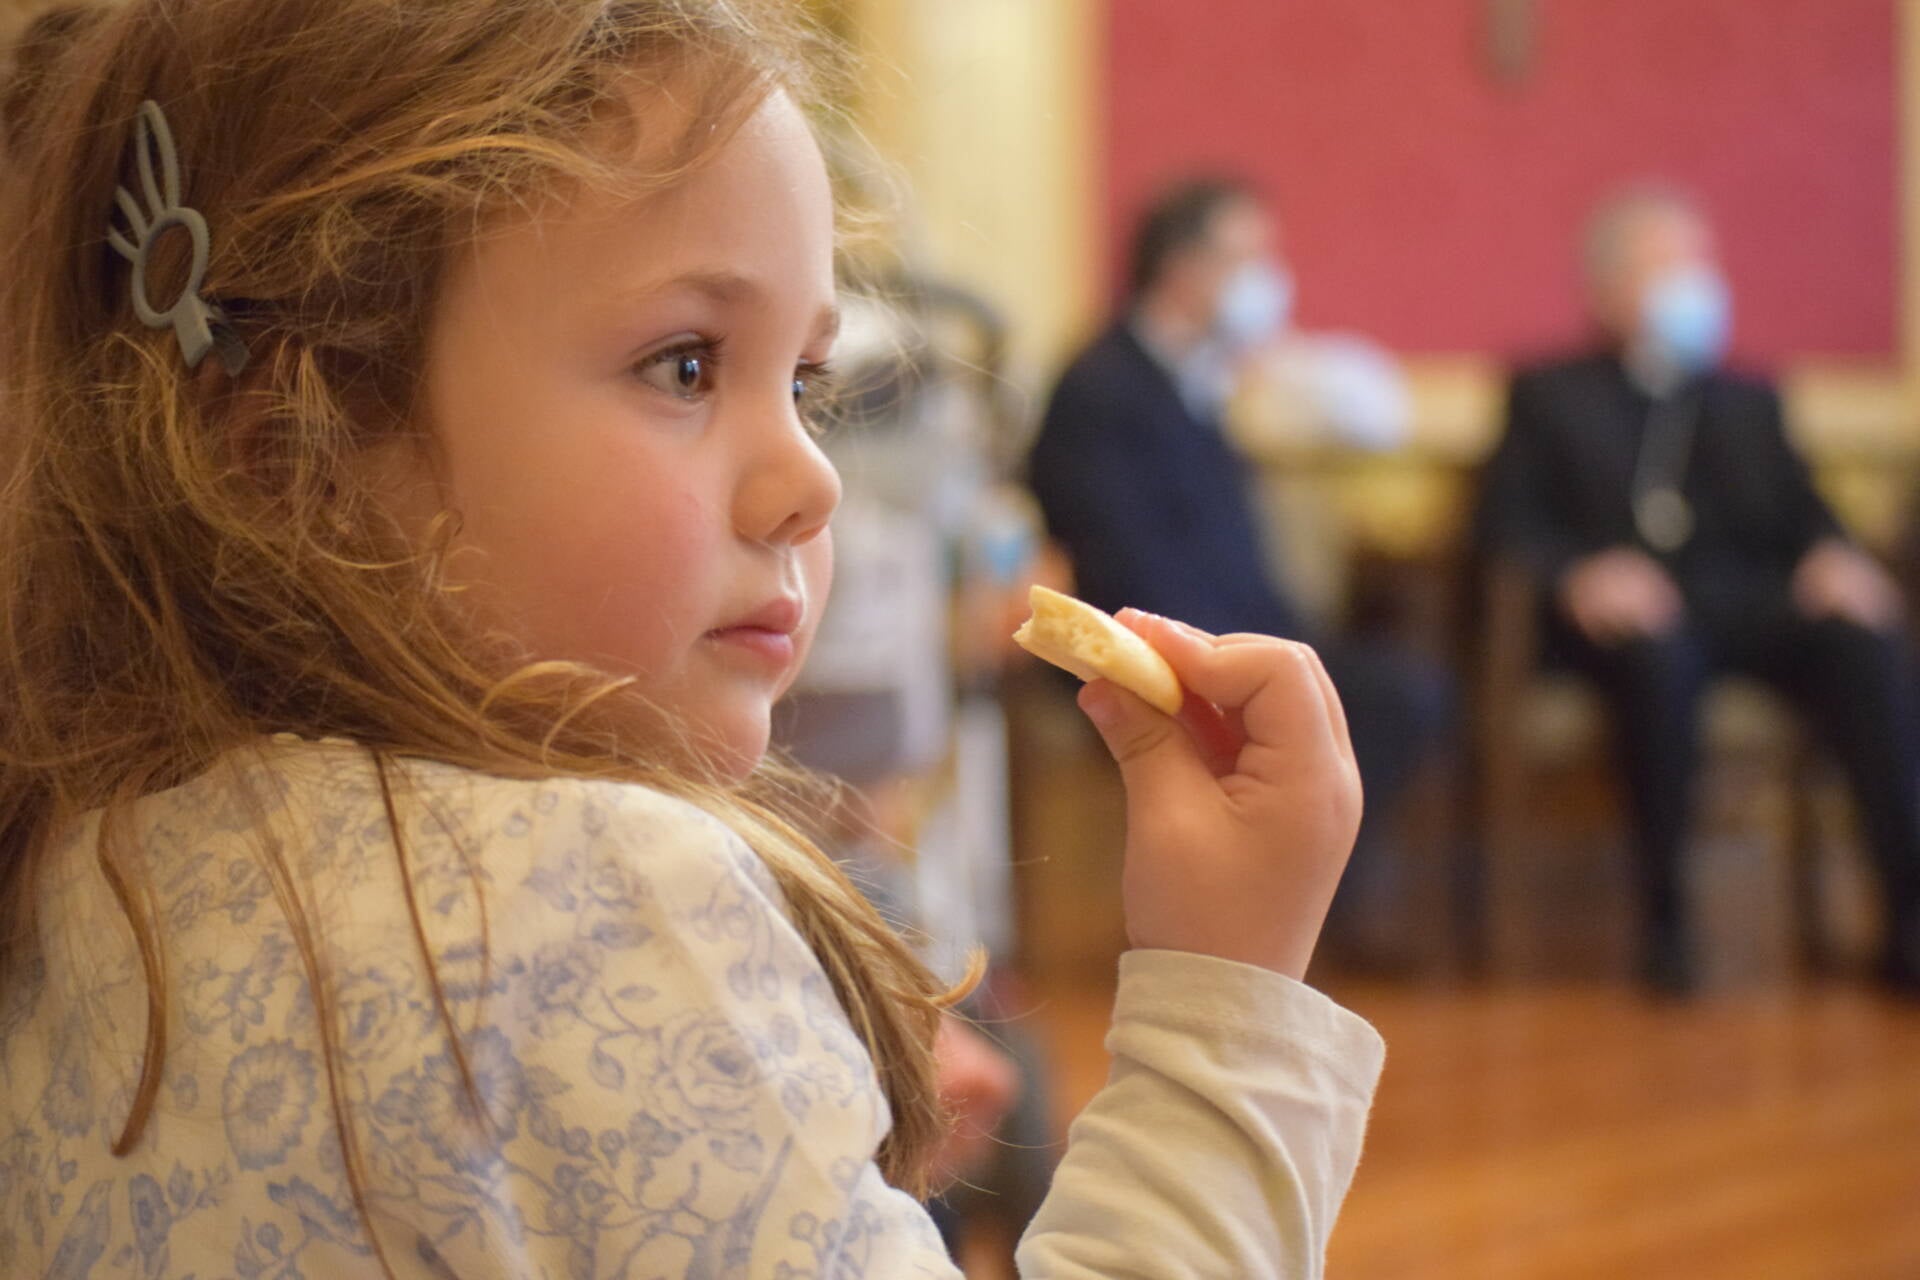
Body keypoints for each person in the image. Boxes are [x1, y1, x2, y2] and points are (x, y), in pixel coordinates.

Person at [0, 3, 1383, 1275]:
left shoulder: (80, 851)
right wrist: (1226, 1002)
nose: (814, 480)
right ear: (293, 456)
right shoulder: (597, 897)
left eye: (804, 381)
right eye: (684, 366)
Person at [1477, 186, 1920, 996]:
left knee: (1866, 644)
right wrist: (1581, 572)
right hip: (1627, 629)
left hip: (1748, 609)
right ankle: (1667, 926)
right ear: (1607, 286)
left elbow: (1807, 515)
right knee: (1659, 660)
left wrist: (1833, 557)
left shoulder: (1749, 398)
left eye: (1699, 263)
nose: (1693, 282)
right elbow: (1506, 528)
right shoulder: (1550, 395)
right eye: (1668, 265)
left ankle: (1909, 921)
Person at [1027, 177, 1450, 954]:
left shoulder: (1195, 383)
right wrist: (1245, 654)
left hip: (1227, 637)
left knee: (1400, 683)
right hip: (1155, 652)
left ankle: (1299, 908)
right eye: (1247, 256)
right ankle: (1291, 916)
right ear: (1184, 269)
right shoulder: (1102, 386)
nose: (1267, 277)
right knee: (1390, 695)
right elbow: (1125, 567)